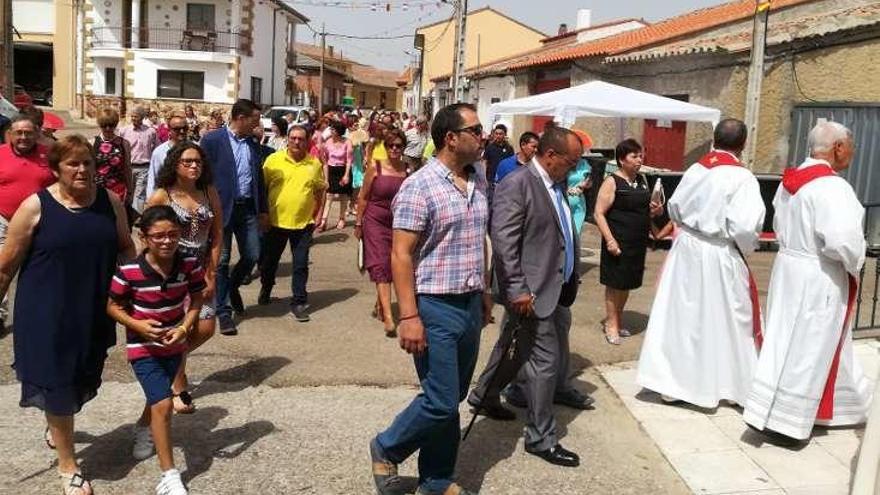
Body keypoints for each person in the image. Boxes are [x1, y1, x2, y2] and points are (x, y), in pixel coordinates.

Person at [0, 135, 135, 495]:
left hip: (93, 309)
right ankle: (68, 466)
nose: (81, 170)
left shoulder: (110, 201)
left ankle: (55, 423)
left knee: (82, 377)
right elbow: (6, 266)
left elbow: (125, 247)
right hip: (46, 313)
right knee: (58, 384)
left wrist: (138, 286)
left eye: (87, 163)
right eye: (72, 164)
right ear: (56, 169)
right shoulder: (36, 206)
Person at [369, 103, 489, 495]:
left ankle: (436, 479)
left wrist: (485, 292)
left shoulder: (479, 180)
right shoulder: (418, 186)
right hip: (435, 305)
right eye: (476, 129)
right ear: (451, 138)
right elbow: (400, 253)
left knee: (451, 398)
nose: (483, 135)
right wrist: (409, 316)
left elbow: (478, 243)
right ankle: (387, 446)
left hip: (470, 302)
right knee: (439, 401)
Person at [466, 126, 586, 468]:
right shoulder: (517, 184)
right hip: (530, 291)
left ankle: (484, 395)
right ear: (550, 156)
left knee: (512, 348)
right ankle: (541, 438)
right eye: (572, 161)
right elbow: (503, 241)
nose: (575, 168)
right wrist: (518, 289)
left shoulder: (556, 183)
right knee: (543, 364)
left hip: (554, 287)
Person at [744, 121, 871, 443]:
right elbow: (842, 241)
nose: (852, 154)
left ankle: (771, 408)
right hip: (818, 273)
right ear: (839, 148)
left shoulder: (791, 182)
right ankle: (788, 423)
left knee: (784, 340)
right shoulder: (833, 188)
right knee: (809, 346)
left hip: (789, 268)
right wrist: (856, 261)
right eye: (851, 147)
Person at [636, 119, 766, 408]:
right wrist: (745, 246)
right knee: (726, 317)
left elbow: (674, 208)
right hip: (718, 252)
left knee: (682, 316)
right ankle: (727, 385)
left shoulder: (696, 168)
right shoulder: (742, 178)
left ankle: (672, 384)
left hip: (686, 249)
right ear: (743, 144)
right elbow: (746, 227)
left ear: (714, 140)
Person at [107, 205, 205, 495]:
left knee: (157, 395)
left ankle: (141, 428)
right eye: (159, 235)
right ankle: (170, 476)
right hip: (143, 348)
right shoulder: (129, 272)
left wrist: (185, 327)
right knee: (163, 404)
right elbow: (111, 306)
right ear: (144, 237)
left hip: (175, 345)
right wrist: (137, 324)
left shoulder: (189, 263)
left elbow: (197, 298)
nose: (166, 241)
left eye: (173, 234)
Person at [146, 142, 223, 414]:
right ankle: (178, 386)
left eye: (198, 162)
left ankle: (170, 361)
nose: (194, 166)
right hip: (172, 272)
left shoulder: (208, 191)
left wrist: (211, 272)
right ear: (175, 165)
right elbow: (147, 234)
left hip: (201, 269)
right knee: (179, 328)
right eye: (188, 161)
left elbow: (217, 235)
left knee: (205, 327)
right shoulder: (161, 195)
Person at [199, 98, 267, 335]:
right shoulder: (212, 141)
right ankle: (224, 312)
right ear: (241, 118)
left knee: (252, 254)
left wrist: (263, 210)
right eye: (255, 120)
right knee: (222, 260)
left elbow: (259, 178)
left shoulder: (253, 143)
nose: (258, 125)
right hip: (221, 209)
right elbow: (202, 175)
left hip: (247, 208)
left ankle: (232, 286)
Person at [593, 139, 662, 345]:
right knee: (615, 284)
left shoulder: (642, 180)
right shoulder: (612, 181)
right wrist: (610, 240)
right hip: (618, 241)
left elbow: (643, 210)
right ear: (622, 160)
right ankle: (611, 324)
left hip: (637, 242)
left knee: (627, 284)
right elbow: (598, 213)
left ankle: (618, 319)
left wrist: (654, 211)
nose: (639, 160)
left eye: (640, 156)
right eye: (634, 156)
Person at [258, 125, 326, 322]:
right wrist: (263, 215)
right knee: (269, 263)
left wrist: (319, 214)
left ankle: (298, 302)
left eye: (301, 139)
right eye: (293, 138)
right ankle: (266, 288)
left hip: (303, 224)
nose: (297, 142)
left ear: (308, 141)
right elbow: (262, 189)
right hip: (275, 222)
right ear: (287, 139)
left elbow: (320, 190)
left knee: (300, 265)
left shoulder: (314, 164)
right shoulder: (273, 161)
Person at [0, 115, 56, 330]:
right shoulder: (1, 154)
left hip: (38, 222)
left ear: (36, 133)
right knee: (2, 266)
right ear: (11, 135)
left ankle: (40, 312)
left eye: (28, 132)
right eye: (19, 133)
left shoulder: (48, 155)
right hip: (4, 220)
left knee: (37, 269)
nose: (24, 137)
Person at [355, 128, 409, 337]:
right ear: (385, 147)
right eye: (390, 145)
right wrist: (359, 223)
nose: (395, 149)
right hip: (375, 221)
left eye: (398, 145)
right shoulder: (375, 167)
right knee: (380, 264)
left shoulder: (409, 170)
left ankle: (380, 304)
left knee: (396, 265)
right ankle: (388, 316)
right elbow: (363, 197)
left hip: (399, 222)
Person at [119, 106, 159, 213]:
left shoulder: (151, 132)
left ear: (142, 117)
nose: (133, 118)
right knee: (128, 192)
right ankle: (126, 214)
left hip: (144, 167)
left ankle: (136, 217)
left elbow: (156, 148)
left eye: (135, 116)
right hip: (128, 167)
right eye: (132, 116)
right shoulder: (124, 131)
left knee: (140, 194)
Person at [93, 108, 133, 207]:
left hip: (117, 190)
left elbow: (127, 168)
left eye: (111, 125)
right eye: (104, 125)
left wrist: (130, 192)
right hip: (96, 190)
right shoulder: (92, 143)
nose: (108, 128)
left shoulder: (124, 144)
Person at [319, 120, 353, 232]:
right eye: (331, 129)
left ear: (339, 131)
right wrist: (326, 177)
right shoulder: (328, 142)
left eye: (333, 129)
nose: (331, 131)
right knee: (329, 195)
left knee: (344, 196)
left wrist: (346, 175)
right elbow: (325, 160)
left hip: (343, 169)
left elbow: (349, 160)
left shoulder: (347, 142)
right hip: (331, 169)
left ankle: (342, 218)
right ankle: (324, 220)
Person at [146, 112, 190, 198]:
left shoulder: (194, 149)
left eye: (185, 128)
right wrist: (151, 200)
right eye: (177, 129)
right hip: (167, 199)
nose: (182, 131)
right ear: (169, 129)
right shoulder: (159, 152)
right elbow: (153, 179)